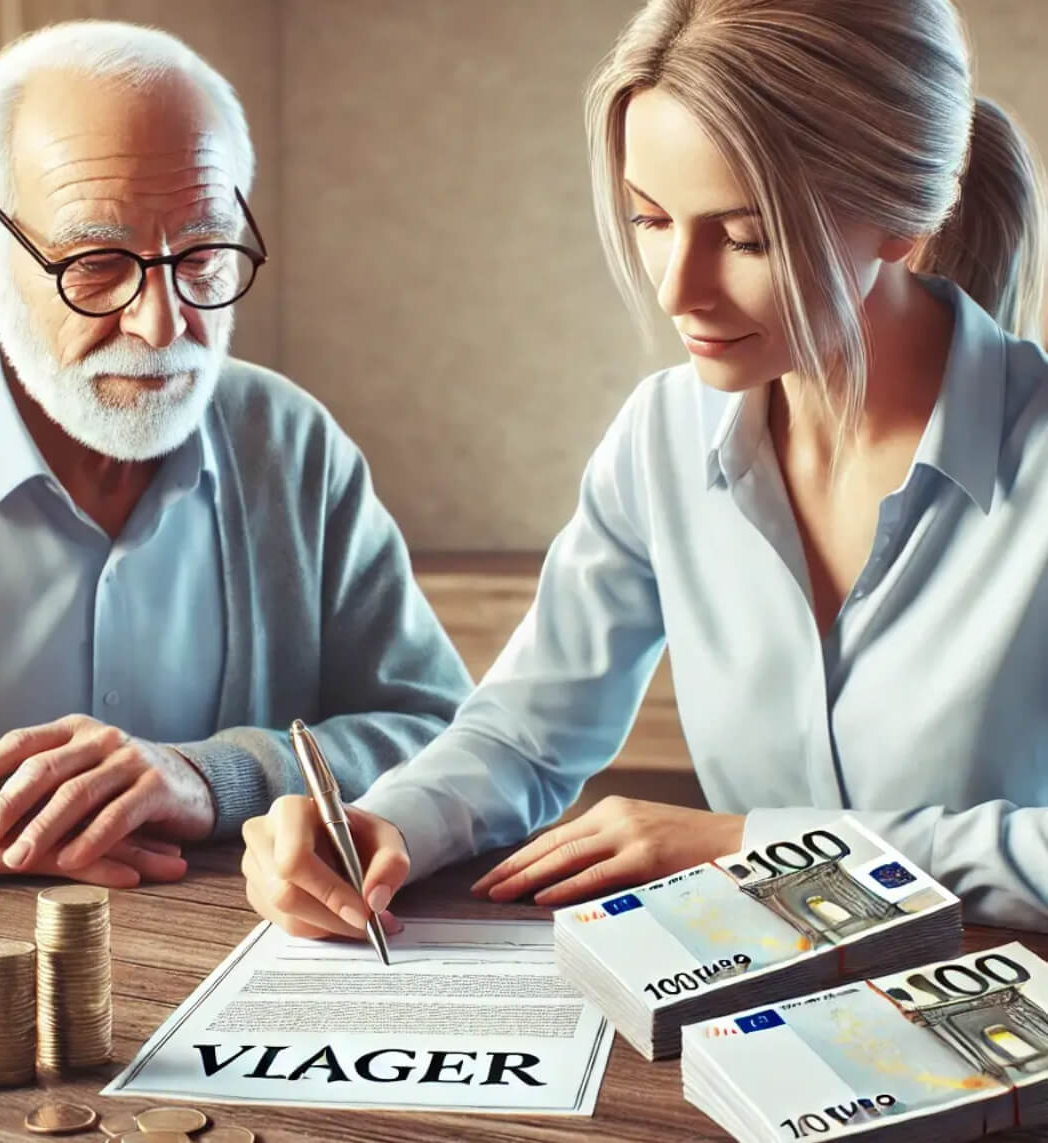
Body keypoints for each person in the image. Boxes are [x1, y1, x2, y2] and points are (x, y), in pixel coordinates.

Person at [241, 0, 1048, 938]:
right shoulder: (662, 435)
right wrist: (384, 826)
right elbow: (525, 733)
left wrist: (754, 845)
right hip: (749, 1021)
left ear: (907, 217)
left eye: (746, 237)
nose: (676, 289)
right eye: (651, 219)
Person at [0, 21, 471, 891]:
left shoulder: (290, 444)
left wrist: (212, 776)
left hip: (246, 980)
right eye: (95, 264)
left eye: (201, 254)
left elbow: (443, 732)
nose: (162, 325)